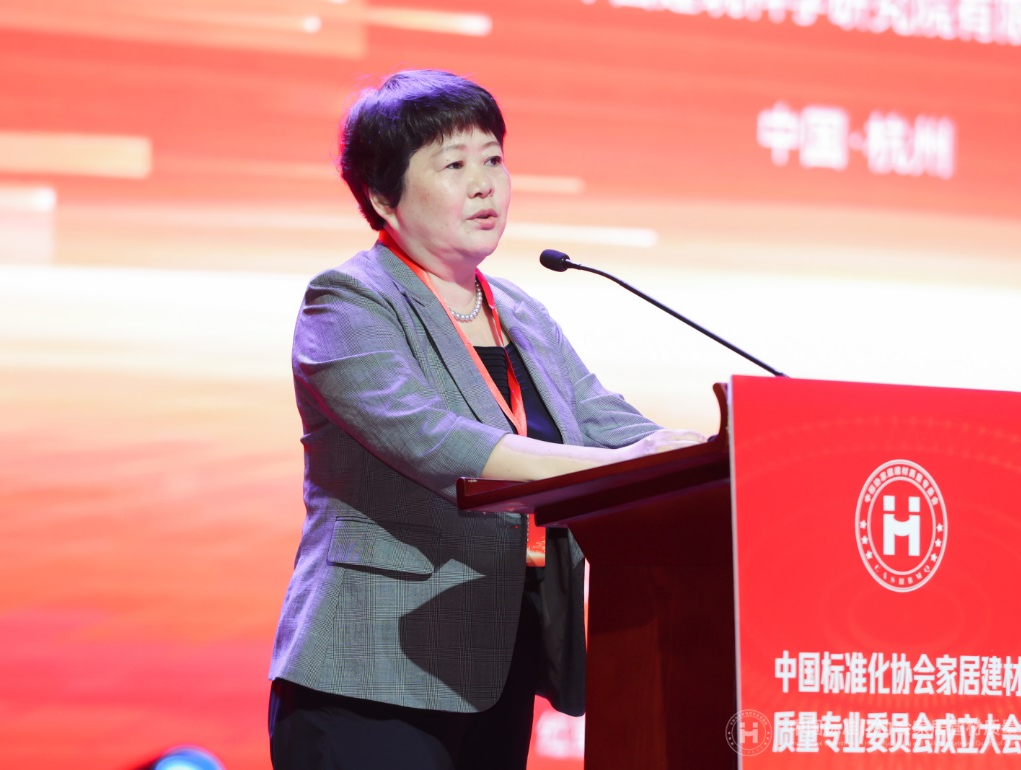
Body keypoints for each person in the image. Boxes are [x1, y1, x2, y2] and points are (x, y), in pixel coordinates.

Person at [267, 69, 703, 769]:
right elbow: (435, 442)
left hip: (498, 664)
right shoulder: (348, 301)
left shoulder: (520, 311)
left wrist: (714, 452)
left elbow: (605, 420)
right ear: (381, 197)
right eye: (454, 165)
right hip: (372, 674)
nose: (485, 185)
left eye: (494, 160)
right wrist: (620, 467)